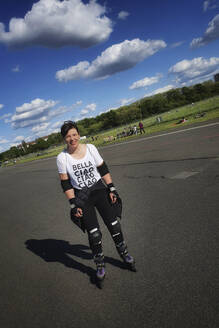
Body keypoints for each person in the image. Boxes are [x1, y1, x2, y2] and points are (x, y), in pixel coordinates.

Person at [56, 121, 136, 285]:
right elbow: (65, 183)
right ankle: (100, 265)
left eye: (74, 134)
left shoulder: (91, 148)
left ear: (78, 134)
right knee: (94, 234)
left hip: (99, 190)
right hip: (82, 197)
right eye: (68, 136)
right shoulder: (62, 158)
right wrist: (73, 204)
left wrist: (112, 188)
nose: (72, 138)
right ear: (64, 139)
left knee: (114, 225)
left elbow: (103, 168)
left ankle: (125, 254)